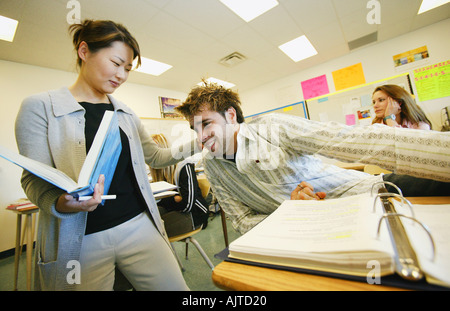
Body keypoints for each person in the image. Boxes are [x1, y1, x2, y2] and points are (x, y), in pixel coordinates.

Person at [14, 20, 197, 291]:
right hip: (81, 238)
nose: (121, 75)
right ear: (84, 51)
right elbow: (32, 180)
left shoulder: (125, 113)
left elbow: (156, 156)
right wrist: (61, 202)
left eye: (127, 68)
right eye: (116, 63)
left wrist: (199, 141)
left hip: (139, 225)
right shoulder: (40, 107)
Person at [175, 81, 450, 234]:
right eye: (195, 129)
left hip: (362, 193)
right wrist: (291, 214)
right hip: (305, 233)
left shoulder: (272, 128)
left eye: (206, 124)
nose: (200, 137)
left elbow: (357, 141)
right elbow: (241, 220)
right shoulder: (212, 166)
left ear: (231, 116)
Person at [150, 134, 209, 237]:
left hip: (195, 213)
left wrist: (168, 200)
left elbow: (187, 205)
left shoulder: (183, 166)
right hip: (175, 210)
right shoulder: (157, 173)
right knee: (148, 220)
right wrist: (174, 199)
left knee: (153, 230)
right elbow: (157, 202)